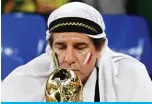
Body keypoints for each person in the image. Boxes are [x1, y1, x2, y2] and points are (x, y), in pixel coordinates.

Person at [2, 2, 152, 102]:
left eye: (80, 47)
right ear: (50, 49)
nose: (69, 58)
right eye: (60, 47)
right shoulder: (26, 80)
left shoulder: (130, 76)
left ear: (99, 49)